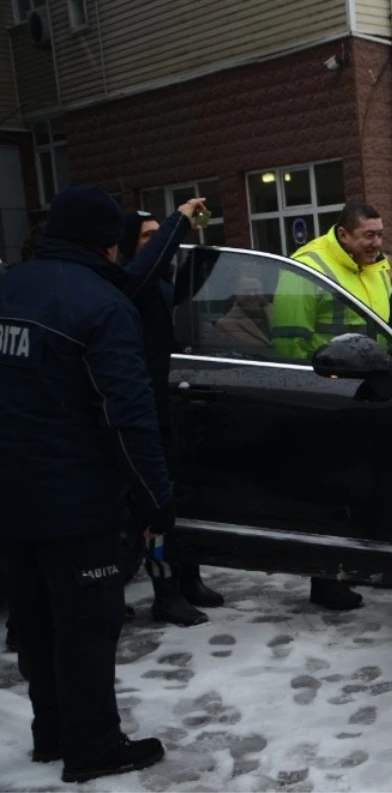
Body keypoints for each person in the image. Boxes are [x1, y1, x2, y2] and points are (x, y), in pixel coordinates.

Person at [0, 185, 172, 783]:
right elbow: (127, 413)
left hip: (11, 501)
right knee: (85, 630)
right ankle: (93, 746)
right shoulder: (101, 305)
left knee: (36, 623)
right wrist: (155, 496)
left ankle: (51, 731)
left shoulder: (8, 288)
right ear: (108, 243)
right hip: (76, 505)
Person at [275, 202, 392, 611]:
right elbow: (290, 342)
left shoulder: (376, 266)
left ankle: (355, 565)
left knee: (361, 489)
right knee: (329, 492)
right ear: (343, 234)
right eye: (368, 236)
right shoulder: (306, 268)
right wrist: (330, 383)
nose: (377, 243)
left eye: (380, 234)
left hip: (365, 395)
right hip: (326, 396)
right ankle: (325, 581)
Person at [118, 207, 225, 627]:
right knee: (155, 510)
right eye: (147, 237)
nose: (156, 243)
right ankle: (165, 592)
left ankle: (189, 578)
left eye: (156, 236)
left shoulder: (161, 283)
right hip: (149, 412)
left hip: (179, 405)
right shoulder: (131, 284)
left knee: (183, 501)